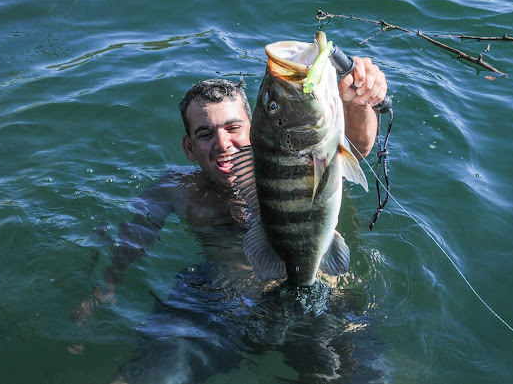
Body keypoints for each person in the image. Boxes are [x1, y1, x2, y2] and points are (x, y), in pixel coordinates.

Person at [73, 57, 388, 383]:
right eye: (205, 133)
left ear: (256, 129)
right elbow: (132, 238)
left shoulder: (302, 161)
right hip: (221, 306)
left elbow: (355, 147)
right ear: (189, 147)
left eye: (233, 128)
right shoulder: (175, 190)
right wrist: (102, 289)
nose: (223, 144)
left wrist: (360, 100)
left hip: (321, 299)